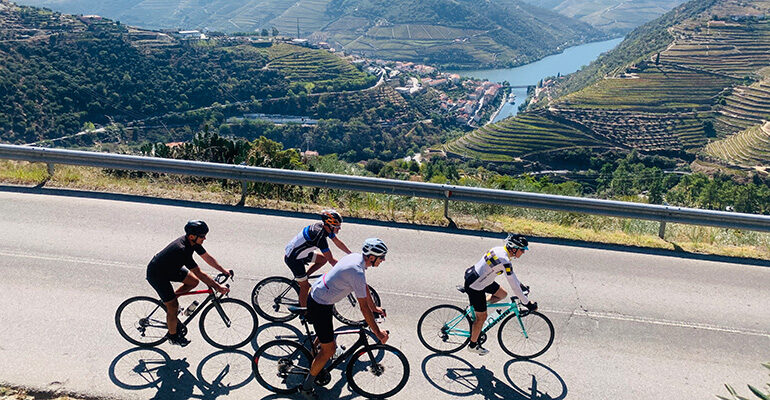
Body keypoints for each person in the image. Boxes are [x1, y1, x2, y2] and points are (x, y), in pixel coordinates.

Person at [299, 238, 389, 398]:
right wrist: (378, 333)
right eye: (381, 257)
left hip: (322, 298)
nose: (383, 260)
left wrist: (374, 307)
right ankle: (306, 387)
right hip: (320, 303)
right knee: (330, 350)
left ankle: (315, 353)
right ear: (372, 257)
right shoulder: (357, 271)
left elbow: (363, 287)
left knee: (326, 335)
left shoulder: (356, 259)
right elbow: (363, 309)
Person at [146, 220, 230, 347]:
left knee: (193, 281)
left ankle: (169, 301)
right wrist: (217, 287)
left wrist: (224, 270)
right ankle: (173, 336)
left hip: (170, 268)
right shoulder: (182, 249)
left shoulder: (193, 242)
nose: (205, 238)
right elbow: (200, 273)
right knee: (173, 306)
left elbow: (207, 257)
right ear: (192, 236)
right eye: (202, 236)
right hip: (157, 274)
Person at [464, 233, 537, 356]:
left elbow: (513, 279)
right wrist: (527, 303)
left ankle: (477, 309)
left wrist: (521, 285)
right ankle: (473, 345)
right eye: (522, 250)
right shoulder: (504, 260)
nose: (523, 253)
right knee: (482, 317)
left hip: (478, 277)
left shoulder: (499, 250)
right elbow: (513, 284)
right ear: (514, 249)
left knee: (502, 294)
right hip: (476, 285)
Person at [284, 209, 352, 308]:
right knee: (305, 287)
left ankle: (303, 278)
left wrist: (351, 254)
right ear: (329, 225)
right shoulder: (319, 236)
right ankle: (304, 312)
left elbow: (338, 243)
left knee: (322, 259)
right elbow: (331, 260)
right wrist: (346, 270)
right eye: (337, 226)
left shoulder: (324, 228)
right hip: (294, 259)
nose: (339, 228)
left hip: (300, 253)